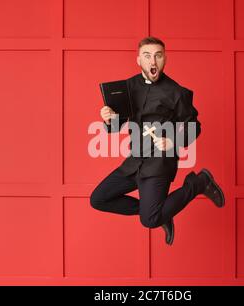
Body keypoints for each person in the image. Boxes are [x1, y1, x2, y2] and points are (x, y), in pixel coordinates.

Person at [90, 37, 225, 245]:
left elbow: (195, 127)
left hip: (159, 163)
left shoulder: (177, 93)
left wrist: (173, 141)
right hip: (134, 162)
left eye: (158, 56)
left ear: (165, 59)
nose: (153, 61)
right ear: (138, 60)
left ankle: (199, 183)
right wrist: (109, 119)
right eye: (147, 56)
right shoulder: (127, 86)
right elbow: (117, 126)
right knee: (98, 199)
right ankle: (162, 212)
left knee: (149, 219)